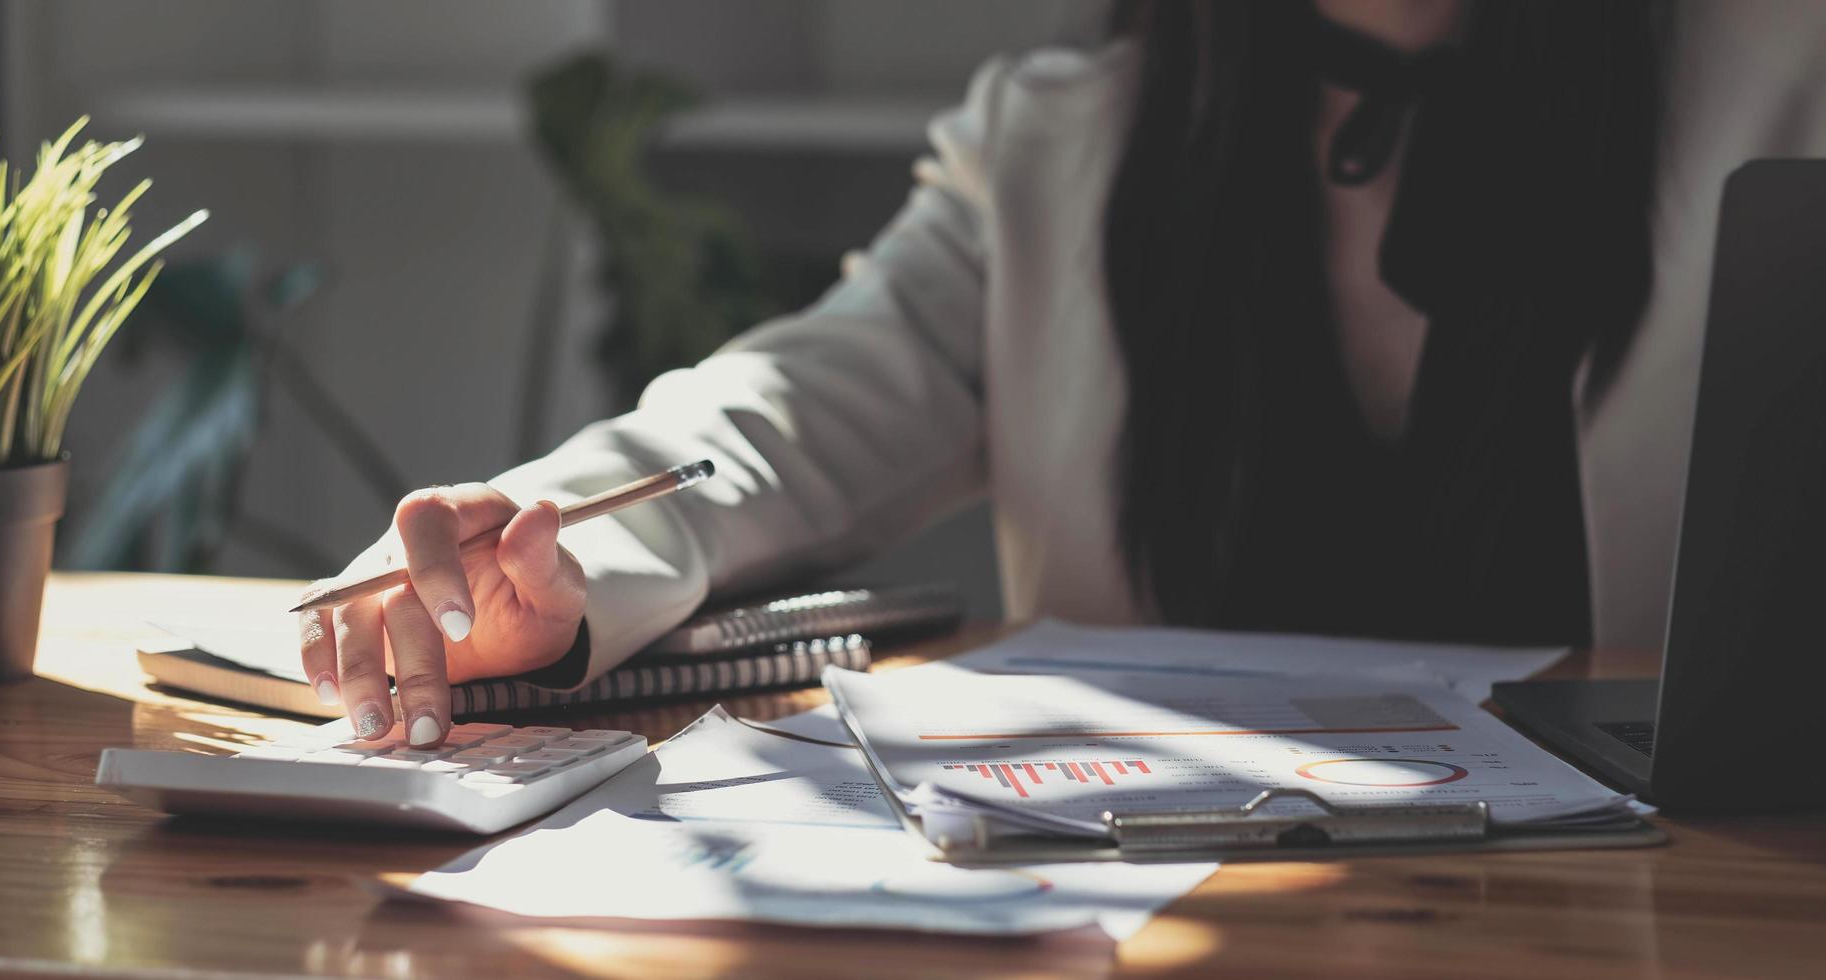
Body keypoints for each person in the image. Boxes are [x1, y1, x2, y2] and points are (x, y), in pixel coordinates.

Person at [298, 0, 1826, 747]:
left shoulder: (1786, 82)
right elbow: (781, 415)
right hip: (1181, 911)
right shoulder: (1063, 142)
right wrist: (547, 540)